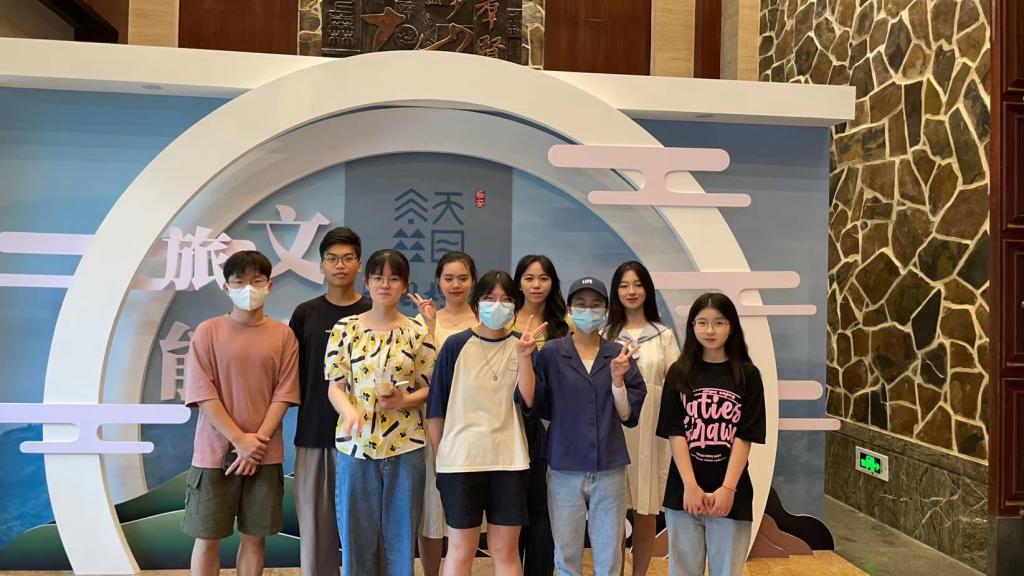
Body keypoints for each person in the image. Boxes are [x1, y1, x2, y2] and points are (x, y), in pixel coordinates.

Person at [182, 250, 300, 576]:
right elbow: (203, 393)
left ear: (269, 286)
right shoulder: (208, 332)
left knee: (255, 539)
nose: (248, 288)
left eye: (257, 281)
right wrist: (239, 441)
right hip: (213, 455)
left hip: (265, 454)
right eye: (239, 282)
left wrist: (255, 444)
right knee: (207, 538)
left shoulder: (284, 336)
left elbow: (284, 394)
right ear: (226, 287)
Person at [522, 276, 646, 576]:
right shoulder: (552, 353)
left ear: (606, 310)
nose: (588, 311)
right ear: (569, 309)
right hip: (564, 468)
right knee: (566, 556)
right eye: (581, 304)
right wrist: (525, 358)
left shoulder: (619, 354)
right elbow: (534, 404)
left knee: (609, 557)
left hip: (609, 468)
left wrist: (618, 381)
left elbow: (628, 416)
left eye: (595, 305)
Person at [426, 270, 547, 576]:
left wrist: (524, 357)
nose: (497, 305)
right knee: (460, 550)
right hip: (460, 463)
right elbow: (436, 410)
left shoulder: (524, 345)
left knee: (505, 551)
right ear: (477, 302)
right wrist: (441, 458)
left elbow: (530, 402)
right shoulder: (455, 345)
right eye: (490, 298)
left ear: (516, 305)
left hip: (510, 461)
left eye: (506, 299)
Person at [325, 249, 437, 576]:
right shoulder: (345, 328)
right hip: (355, 446)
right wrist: (350, 413)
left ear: (405, 285)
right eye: (378, 277)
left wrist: (404, 400)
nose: (385, 284)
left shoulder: (417, 331)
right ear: (367, 282)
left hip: (406, 446)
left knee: (400, 539)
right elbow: (335, 386)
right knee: (356, 537)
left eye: (393, 278)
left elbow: (431, 386)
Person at [656, 293, 766, 576]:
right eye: (702, 322)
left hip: (731, 495)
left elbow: (744, 436)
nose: (710, 330)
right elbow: (676, 433)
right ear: (692, 326)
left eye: (719, 322)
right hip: (684, 493)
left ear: (731, 326)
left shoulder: (748, 375)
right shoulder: (678, 373)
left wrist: (728, 489)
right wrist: (690, 485)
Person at [289, 227, 371, 576]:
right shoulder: (305, 314)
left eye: (348, 258)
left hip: (367, 438)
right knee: (315, 529)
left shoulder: (373, 310)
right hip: (315, 434)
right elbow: (292, 375)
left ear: (359, 265)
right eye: (332, 259)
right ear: (321, 265)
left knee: (363, 527)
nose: (340, 265)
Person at [603, 261, 680, 576]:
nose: (631, 291)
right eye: (624, 285)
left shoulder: (663, 336)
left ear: (647, 289)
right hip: (614, 431)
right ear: (615, 291)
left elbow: (676, 385)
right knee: (613, 511)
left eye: (637, 284)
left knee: (646, 510)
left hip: (651, 430)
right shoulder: (605, 334)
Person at [410, 251, 479, 576]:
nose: (455, 285)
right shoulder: (420, 322)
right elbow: (417, 373)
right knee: (431, 508)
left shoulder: (485, 323)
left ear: (473, 282)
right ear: (438, 281)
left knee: (466, 508)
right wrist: (429, 326)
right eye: (449, 278)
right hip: (431, 425)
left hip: (473, 426)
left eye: (462, 278)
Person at [512, 254, 571, 576]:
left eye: (543, 278)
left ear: (553, 283)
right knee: (511, 512)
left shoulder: (566, 326)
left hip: (551, 429)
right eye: (529, 278)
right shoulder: (504, 322)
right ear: (519, 282)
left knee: (544, 513)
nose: (536, 285)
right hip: (509, 424)